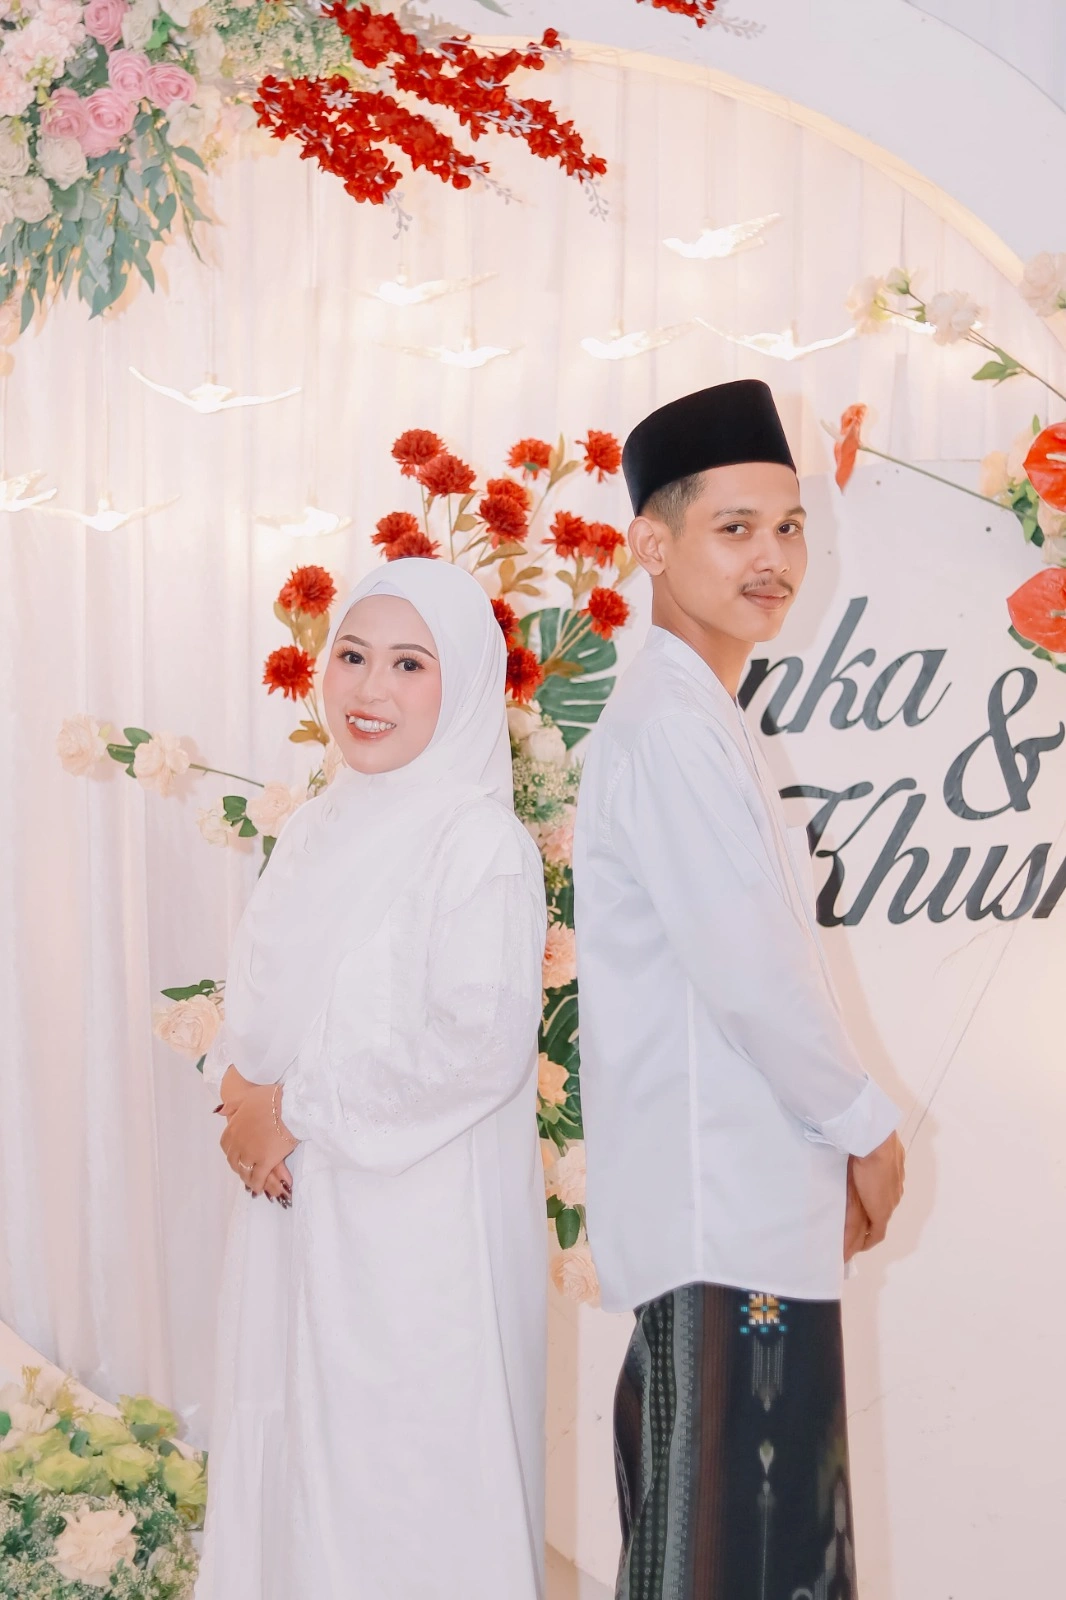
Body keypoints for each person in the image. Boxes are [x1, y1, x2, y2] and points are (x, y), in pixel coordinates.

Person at [572, 380, 906, 1600]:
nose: (773, 558)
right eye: (734, 528)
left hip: (744, 1220)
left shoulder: (703, 717)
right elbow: (749, 972)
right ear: (651, 545)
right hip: (725, 1228)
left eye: (789, 526)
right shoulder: (668, 725)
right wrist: (866, 1127)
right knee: (736, 1564)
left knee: (750, 1560)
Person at [195, 558, 549, 1600]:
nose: (369, 688)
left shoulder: (478, 841)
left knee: (397, 1490)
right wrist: (240, 1094)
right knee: (289, 1473)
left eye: (409, 663)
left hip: (413, 1230)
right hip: (289, 1210)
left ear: (465, 684)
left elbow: (479, 1044)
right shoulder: (317, 825)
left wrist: (291, 1111)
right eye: (352, 655)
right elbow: (259, 995)